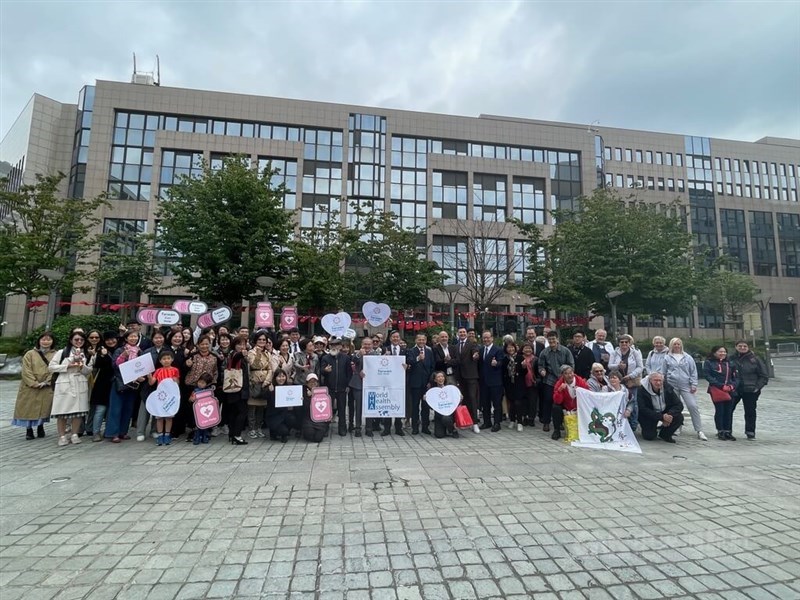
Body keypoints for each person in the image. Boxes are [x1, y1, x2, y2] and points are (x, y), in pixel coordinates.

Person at [49, 331, 94, 446]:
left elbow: (89, 370)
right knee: (62, 411)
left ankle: (75, 434)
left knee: (78, 412)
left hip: (80, 382)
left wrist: (81, 366)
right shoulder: (62, 352)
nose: (79, 342)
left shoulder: (88, 354)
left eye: (82, 340)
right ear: (71, 340)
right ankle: (62, 436)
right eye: (76, 340)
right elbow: (51, 367)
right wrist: (68, 365)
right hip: (65, 382)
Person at [12, 332, 56, 440]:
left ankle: (40, 427)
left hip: (46, 386)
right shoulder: (30, 354)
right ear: (39, 341)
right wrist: (34, 383)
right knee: (28, 408)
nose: (46, 342)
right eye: (43, 339)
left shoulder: (56, 354)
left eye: (49, 339)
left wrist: (47, 382)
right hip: (29, 386)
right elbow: (26, 370)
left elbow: (55, 370)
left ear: (53, 341)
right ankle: (29, 430)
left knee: (43, 408)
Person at [663, 337, 707, 441]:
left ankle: (699, 430)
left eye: (678, 344)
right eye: (675, 344)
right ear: (671, 345)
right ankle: (676, 428)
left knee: (692, 406)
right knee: (675, 407)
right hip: (672, 385)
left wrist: (694, 384)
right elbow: (663, 372)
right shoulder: (667, 357)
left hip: (686, 384)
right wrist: (665, 385)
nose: (677, 346)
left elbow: (693, 372)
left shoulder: (688, 357)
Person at [106, 330, 145, 444]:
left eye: (136, 336)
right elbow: (114, 365)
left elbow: (142, 366)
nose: (133, 338)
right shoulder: (120, 350)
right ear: (126, 338)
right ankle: (113, 433)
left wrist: (141, 376)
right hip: (120, 382)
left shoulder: (140, 351)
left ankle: (123, 432)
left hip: (133, 385)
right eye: (131, 336)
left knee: (128, 409)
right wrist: (123, 356)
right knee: (115, 409)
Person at [731, 340, 769, 440]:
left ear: (748, 347)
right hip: (735, 389)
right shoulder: (731, 359)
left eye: (745, 346)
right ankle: (726, 430)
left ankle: (750, 431)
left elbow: (764, 376)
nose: (742, 348)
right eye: (740, 346)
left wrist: (757, 387)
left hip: (750, 389)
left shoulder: (755, 359)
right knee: (729, 409)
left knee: (750, 411)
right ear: (736, 347)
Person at [537, 331, 574, 433]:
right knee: (548, 400)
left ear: (557, 339)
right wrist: (542, 371)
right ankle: (546, 422)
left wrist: (568, 376)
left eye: (553, 339)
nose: (552, 341)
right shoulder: (544, 352)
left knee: (562, 402)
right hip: (550, 380)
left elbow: (571, 364)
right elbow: (540, 365)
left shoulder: (565, 351)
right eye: (550, 339)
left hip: (563, 379)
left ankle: (559, 422)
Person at [135, 329, 167, 441]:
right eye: (156, 338)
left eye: (160, 337)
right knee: (144, 408)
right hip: (147, 384)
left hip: (161, 384)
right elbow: (140, 367)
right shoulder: (147, 352)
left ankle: (154, 430)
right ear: (152, 339)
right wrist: (140, 377)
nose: (159, 340)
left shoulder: (167, 351)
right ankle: (140, 431)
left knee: (157, 408)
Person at [703, 345, 739, 441]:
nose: (722, 353)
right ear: (715, 352)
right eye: (720, 351)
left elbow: (736, 377)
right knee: (720, 410)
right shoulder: (709, 362)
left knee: (729, 411)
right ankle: (720, 431)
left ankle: (728, 431)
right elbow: (708, 375)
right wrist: (721, 385)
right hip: (717, 390)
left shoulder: (730, 363)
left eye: (724, 352)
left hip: (730, 390)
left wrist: (732, 386)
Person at [608, 334, 643, 431]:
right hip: (617, 380)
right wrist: (618, 366)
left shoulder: (635, 353)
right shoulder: (614, 353)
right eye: (622, 342)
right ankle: (618, 423)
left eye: (626, 342)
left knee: (633, 402)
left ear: (629, 343)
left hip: (631, 380)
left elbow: (640, 367)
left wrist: (631, 375)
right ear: (618, 343)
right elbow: (610, 366)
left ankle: (633, 425)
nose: (624, 344)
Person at [146, 349, 181, 445]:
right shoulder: (158, 371)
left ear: (172, 359)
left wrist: (175, 380)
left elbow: (177, 383)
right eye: (164, 359)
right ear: (160, 361)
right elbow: (152, 383)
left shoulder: (175, 370)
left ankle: (167, 435)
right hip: (160, 397)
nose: (166, 360)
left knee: (169, 417)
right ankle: (160, 435)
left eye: (168, 358)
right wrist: (149, 377)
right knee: (159, 417)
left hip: (170, 397)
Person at [87, 332, 118, 441]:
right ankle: (96, 432)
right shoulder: (101, 351)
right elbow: (98, 365)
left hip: (115, 384)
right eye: (108, 340)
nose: (111, 342)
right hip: (102, 384)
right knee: (100, 410)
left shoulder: (120, 350)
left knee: (112, 409)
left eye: (113, 339)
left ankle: (109, 431)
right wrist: (103, 355)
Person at [638, 372, 684, 443]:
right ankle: (653, 429)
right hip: (650, 414)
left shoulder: (668, 388)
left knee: (679, 417)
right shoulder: (641, 390)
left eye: (660, 380)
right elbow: (642, 409)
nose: (658, 383)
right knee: (649, 436)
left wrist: (669, 415)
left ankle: (665, 434)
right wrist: (661, 417)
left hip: (665, 411)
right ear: (650, 380)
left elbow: (679, 405)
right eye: (655, 380)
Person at [222, 335, 250, 445]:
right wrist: (241, 354)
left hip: (234, 389)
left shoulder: (231, 354)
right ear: (234, 345)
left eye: (243, 344)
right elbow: (236, 358)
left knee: (234, 412)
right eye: (239, 344)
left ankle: (232, 434)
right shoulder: (235, 355)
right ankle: (237, 435)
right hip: (237, 389)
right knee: (242, 412)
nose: (241, 346)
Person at [320, 337, 351, 436]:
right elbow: (321, 371)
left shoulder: (346, 358)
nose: (334, 347)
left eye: (336, 345)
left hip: (342, 388)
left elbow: (349, 373)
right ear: (329, 346)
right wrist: (325, 370)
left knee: (342, 409)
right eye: (332, 345)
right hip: (329, 388)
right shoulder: (326, 358)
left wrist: (348, 385)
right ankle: (325, 428)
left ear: (340, 347)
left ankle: (342, 428)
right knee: (327, 409)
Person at [246, 331, 274, 438]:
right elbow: (254, 365)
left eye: (264, 340)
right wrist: (257, 354)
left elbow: (270, 368)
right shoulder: (251, 352)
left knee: (261, 408)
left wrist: (267, 381)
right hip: (254, 382)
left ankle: (258, 427)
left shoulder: (267, 353)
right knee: (252, 408)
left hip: (264, 383)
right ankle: (252, 428)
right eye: (260, 339)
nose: (262, 341)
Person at [551, 365, 589, 440]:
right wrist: (560, 390)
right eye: (566, 373)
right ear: (562, 375)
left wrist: (580, 391)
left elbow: (587, 395)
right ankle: (556, 430)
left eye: (571, 373)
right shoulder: (559, 383)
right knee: (556, 407)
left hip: (578, 405)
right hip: (566, 406)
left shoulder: (580, 381)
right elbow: (557, 401)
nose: (570, 375)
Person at [453, 327, 480, 433]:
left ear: (466, 334)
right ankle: (465, 421)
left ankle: (475, 423)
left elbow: (475, 352)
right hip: (460, 377)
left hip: (471, 376)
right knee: (463, 399)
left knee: (472, 398)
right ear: (458, 334)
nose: (462, 334)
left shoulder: (472, 344)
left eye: (464, 332)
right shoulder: (456, 346)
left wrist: (475, 355)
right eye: (460, 332)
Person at [407, 333, 435, 435]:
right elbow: (409, 361)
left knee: (426, 407)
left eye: (423, 340)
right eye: (419, 340)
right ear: (416, 340)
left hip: (426, 384)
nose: (421, 342)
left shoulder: (429, 351)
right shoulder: (411, 351)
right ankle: (415, 427)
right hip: (415, 384)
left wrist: (430, 382)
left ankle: (425, 427)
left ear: (426, 340)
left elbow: (432, 367)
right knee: (415, 407)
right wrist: (418, 358)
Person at [382, 330, 407, 437]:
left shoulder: (405, 350)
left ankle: (398, 428)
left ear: (400, 338)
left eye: (397, 337)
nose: (396, 339)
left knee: (398, 404)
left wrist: (408, 366)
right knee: (387, 404)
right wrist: (383, 356)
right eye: (394, 337)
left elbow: (410, 362)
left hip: (400, 382)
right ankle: (387, 428)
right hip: (387, 382)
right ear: (390, 338)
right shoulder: (385, 349)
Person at [478, 331, 504, 432]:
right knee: (485, 403)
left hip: (495, 382)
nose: (486, 340)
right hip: (484, 382)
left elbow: (501, 362)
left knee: (497, 404)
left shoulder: (498, 350)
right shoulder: (480, 350)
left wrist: (496, 363)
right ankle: (487, 422)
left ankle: (497, 423)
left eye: (488, 338)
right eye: (484, 338)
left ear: (492, 338)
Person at [265, 369, 296, 443]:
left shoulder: (288, 387)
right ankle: (274, 432)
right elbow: (263, 396)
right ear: (275, 378)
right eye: (279, 376)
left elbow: (294, 398)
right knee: (284, 431)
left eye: (283, 376)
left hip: (284, 415)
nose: (281, 378)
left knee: (293, 419)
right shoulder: (271, 387)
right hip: (273, 416)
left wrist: (299, 398)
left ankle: (283, 431)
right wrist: (270, 392)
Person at [502, 340, 526, 432]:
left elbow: (525, 373)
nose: (510, 349)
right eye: (508, 347)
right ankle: (512, 420)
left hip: (519, 383)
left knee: (518, 403)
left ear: (515, 348)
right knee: (511, 403)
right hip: (509, 384)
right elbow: (503, 372)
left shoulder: (520, 358)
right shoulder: (505, 359)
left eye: (512, 347)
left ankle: (519, 422)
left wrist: (524, 367)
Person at [430, 371, 459, 439]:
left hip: (449, 415)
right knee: (439, 435)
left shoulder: (450, 388)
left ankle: (453, 430)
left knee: (446, 418)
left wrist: (459, 398)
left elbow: (455, 402)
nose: (441, 378)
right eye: (438, 377)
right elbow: (431, 406)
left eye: (442, 376)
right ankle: (444, 429)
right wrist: (426, 399)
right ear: (435, 380)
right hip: (438, 416)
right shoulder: (432, 391)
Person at [301, 373, 329, 443]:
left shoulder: (323, 392)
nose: (313, 383)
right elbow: (305, 408)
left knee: (318, 438)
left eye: (315, 381)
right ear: (307, 383)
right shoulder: (303, 392)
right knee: (309, 434)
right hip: (308, 419)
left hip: (320, 420)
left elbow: (327, 408)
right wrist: (309, 398)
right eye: (310, 381)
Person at [189, 373, 215, 444]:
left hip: (206, 411)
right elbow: (190, 399)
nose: (200, 384)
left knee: (205, 425)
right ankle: (197, 437)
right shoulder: (195, 391)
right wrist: (192, 398)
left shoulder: (209, 392)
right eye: (199, 382)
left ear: (207, 384)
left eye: (203, 383)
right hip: (197, 412)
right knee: (197, 425)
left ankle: (205, 436)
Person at [519, 342, 539, 427]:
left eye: (529, 348)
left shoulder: (536, 359)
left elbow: (538, 371)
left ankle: (531, 418)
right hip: (522, 383)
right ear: (522, 349)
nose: (528, 350)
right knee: (524, 401)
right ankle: (525, 417)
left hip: (533, 383)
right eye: (526, 348)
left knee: (533, 401)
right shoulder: (519, 358)